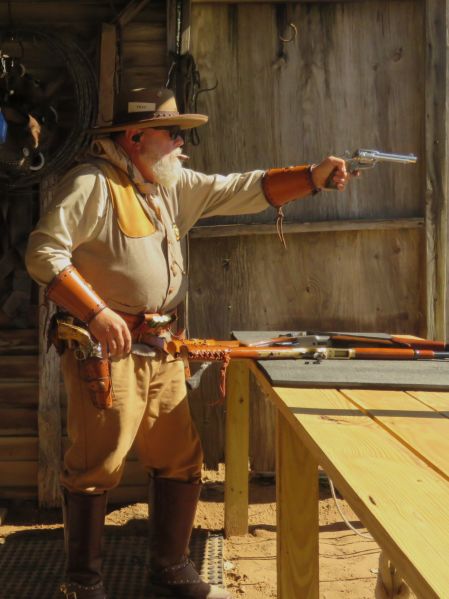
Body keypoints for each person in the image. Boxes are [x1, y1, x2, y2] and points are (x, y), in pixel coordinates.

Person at [25, 87, 352, 599]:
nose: (182, 143)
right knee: (96, 466)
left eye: (182, 134)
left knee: (180, 459)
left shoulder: (168, 184)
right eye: (172, 133)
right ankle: (82, 584)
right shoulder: (91, 183)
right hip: (106, 352)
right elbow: (44, 252)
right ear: (135, 138)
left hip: (163, 348)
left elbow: (239, 187)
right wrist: (97, 312)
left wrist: (312, 177)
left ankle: (171, 570)